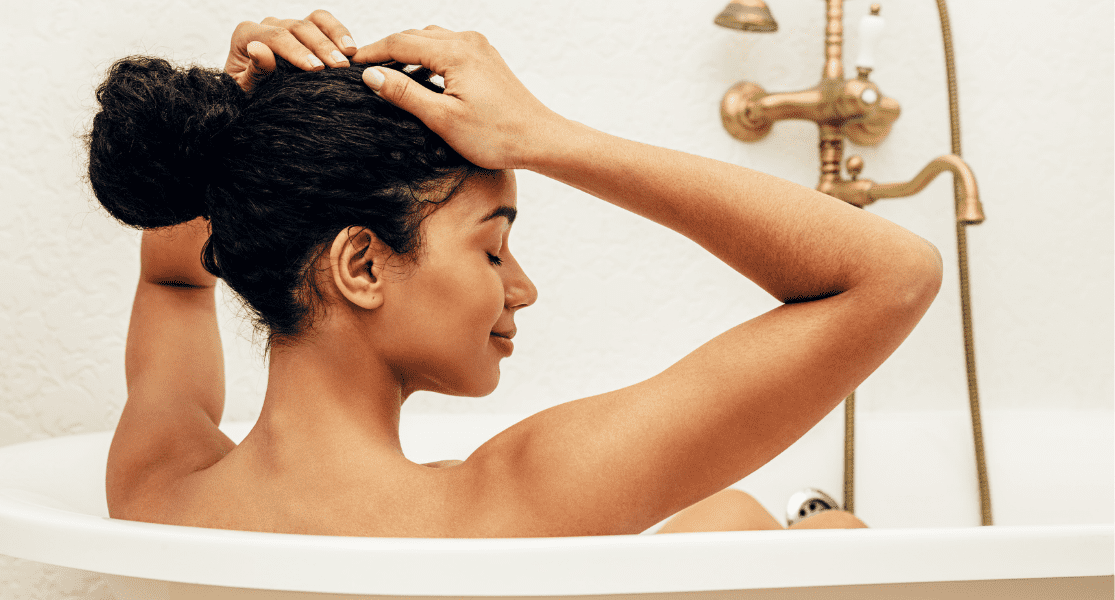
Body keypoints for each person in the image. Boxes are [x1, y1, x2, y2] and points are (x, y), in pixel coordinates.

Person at [88, 10, 939, 537]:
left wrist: (234, 137)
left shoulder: (158, 487)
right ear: (361, 262)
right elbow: (892, 275)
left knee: (733, 519)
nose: (521, 287)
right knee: (825, 536)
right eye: (492, 248)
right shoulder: (518, 506)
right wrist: (543, 135)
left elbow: (174, 280)